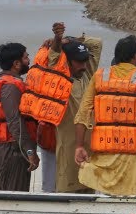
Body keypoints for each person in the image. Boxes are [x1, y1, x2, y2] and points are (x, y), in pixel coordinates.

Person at [75, 35, 136, 196]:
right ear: (135, 56)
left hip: (105, 157)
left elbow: (83, 114)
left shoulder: (99, 76)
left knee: (104, 207)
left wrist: (79, 146)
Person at [21, 22, 102, 193]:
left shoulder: (87, 74)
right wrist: (58, 41)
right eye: (78, 62)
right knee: (62, 185)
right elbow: (55, 55)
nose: (83, 65)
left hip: (86, 143)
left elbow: (96, 43)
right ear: (67, 61)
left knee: (88, 185)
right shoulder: (56, 75)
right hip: (63, 142)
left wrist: (71, 40)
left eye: (85, 61)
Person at [0, 42, 39, 191]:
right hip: (10, 150)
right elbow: (15, 122)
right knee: (15, 193)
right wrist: (30, 152)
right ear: (16, 63)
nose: (29, 60)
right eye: (26, 57)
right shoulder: (11, 87)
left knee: (0, 189)